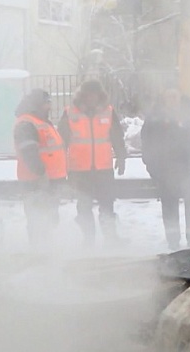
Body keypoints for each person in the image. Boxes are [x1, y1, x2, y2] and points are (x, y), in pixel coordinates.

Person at [58, 80, 127, 246]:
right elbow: (61, 141)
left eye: (94, 95)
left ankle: (111, 238)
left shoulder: (109, 112)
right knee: (83, 206)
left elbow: (117, 136)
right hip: (79, 169)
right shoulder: (70, 113)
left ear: (99, 96)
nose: (91, 98)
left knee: (107, 205)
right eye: (88, 95)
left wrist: (121, 156)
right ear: (82, 96)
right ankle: (88, 239)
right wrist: (61, 167)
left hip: (103, 167)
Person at [140, 88, 190, 250]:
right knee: (169, 205)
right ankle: (172, 240)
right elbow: (147, 142)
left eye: (174, 95)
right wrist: (152, 167)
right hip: (166, 171)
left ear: (180, 96)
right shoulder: (155, 117)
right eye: (168, 95)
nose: (172, 99)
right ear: (163, 97)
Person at [12, 89, 67, 248]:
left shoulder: (40, 121)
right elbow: (29, 152)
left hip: (48, 180)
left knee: (49, 218)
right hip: (36, 181)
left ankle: (46, 248)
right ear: (37, 104)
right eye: (46, 103)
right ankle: (38, 250)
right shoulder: (26, 123)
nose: (49, 106)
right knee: (38, 218)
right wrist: (41, 174)